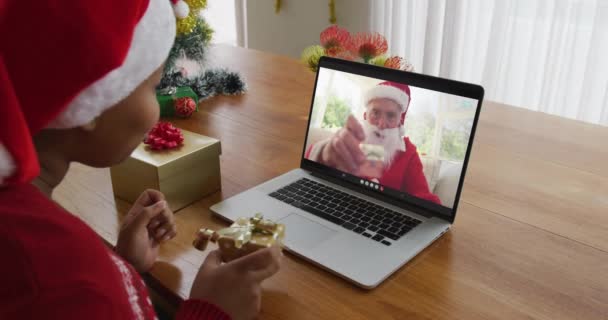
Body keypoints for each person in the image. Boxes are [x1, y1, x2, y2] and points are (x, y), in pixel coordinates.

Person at [0, 1, 281, 319]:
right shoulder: (68, 282)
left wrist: (122, 266)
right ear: (93, 95)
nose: (157, 110)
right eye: (153, 87)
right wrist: (213, 311)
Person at [306, 81, 442, 205]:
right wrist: (323, 154)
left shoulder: (408, 152)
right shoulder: (353, 137)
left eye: (390, 115)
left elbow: (422, 195)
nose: (382, 124)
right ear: (365, 116)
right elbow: (312, 161)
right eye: (375, 113)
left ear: (400, 121)